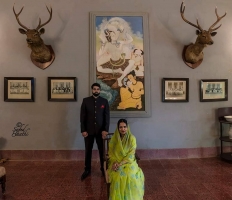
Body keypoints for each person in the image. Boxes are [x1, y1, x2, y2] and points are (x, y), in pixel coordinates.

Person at [107, 119, 144, 200]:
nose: (123, 129)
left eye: (124, 127)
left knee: (131, 176)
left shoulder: (132, 138)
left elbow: (131, 155)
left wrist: (120, 164)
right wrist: (115, 163)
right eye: (120, 127)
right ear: (118, 128)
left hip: (129, 162)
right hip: (115, 162)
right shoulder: (114, 139)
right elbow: (111, 153)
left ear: (127, 128)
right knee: (118, 176)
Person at [80, 83, 110, 180]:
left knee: (102, 151)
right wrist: (83, 130)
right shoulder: (86, 101)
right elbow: (82, 117)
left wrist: (105, 130)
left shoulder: (104, 101)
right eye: (94, 89)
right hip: (88, 132)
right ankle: (87, 169)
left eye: (98, 89)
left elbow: (107, 117)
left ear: (100, 90)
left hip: (101, 132)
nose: (96, 90)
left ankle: (103, 169)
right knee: (88, 151)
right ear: (92, 90)